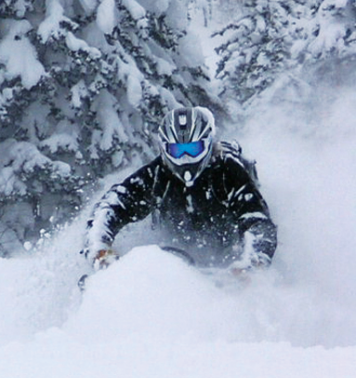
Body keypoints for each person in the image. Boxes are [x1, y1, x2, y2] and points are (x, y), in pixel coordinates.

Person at [82, 105, 277, 273]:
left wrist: (254, 260)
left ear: (208, 145)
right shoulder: (157, 174)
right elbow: (114, 204)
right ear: (165, 149)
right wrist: (100, 248)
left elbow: (257, 220)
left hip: (230, 266)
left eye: (193, 150)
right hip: (170, 265)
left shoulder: (229, 172)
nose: (185, 158)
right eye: (177, 151)